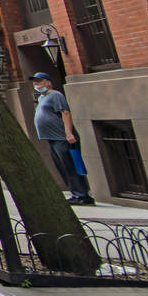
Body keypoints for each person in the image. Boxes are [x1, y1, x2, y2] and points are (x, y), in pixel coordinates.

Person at [31, 72, 93, 205]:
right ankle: (75, 193)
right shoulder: (42, 98)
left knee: (71, 165)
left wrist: (68, 133)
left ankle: (83, 195)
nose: (36, 84)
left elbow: (65, 113)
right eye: (35, 82)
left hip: (63, 138)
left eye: (39, 81)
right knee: (62, 167)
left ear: (48, 82)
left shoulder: (55, 95)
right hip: (51, 139)